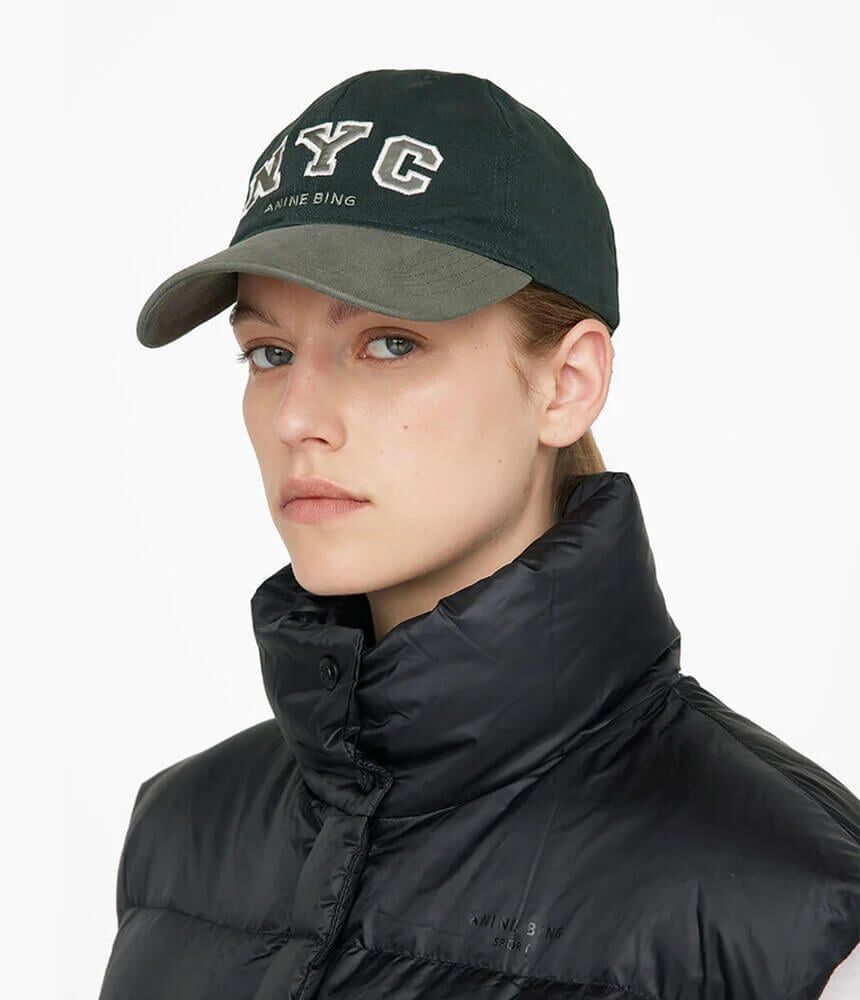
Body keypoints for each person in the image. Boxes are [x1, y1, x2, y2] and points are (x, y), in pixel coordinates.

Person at [97, 68, 859, 999]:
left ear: (567, 384)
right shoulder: (180, 836)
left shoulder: (793, 904)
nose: (297, 416)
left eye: (389, 343)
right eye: (270, 352)